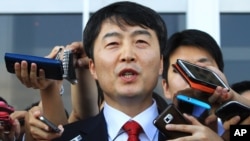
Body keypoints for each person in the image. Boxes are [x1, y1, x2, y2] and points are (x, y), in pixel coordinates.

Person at [17, 1, 169, 140]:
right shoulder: (68, 137)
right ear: (93, 67)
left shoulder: (189, 133)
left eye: (141, 42)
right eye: (113, 44)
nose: (127, 55)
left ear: (161, 63)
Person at [161, 29, 250, 141]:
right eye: (180, 71)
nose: (191, 79)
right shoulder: (150, 133)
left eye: (201, 69)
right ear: (166, 87)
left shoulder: (239, 129)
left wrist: (232, 97)